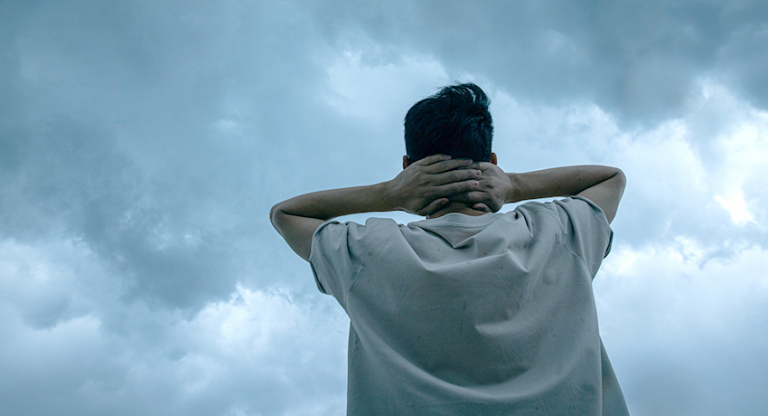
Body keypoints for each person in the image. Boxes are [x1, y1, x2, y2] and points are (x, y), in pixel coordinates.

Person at [270, 83, 629, 415]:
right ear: (492, 161)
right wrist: (515, 185)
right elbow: (610, 178)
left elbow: (286, 213)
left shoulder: (368, 251)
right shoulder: (558, 232)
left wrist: (389, 194)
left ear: (407, 167)